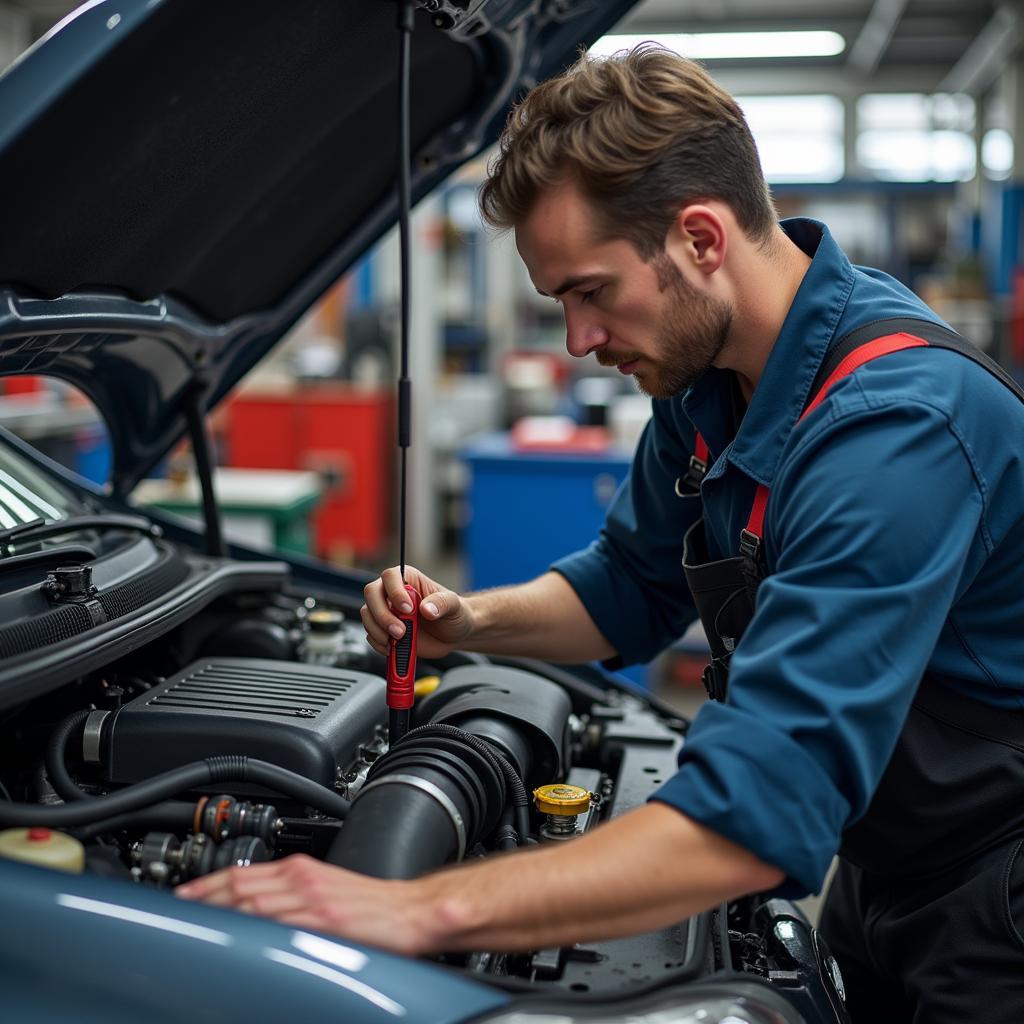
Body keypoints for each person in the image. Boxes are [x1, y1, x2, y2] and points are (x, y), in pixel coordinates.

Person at [179, 45, 1024, 1020]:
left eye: (590, 291)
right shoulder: (712, 378)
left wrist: (415, 907)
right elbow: (628, 584)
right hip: (882, 865)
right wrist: (469, 618)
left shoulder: (895, 429)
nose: (578, 339)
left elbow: (756, 816)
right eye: (559, 303)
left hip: (993, 899)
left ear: (701, 238)